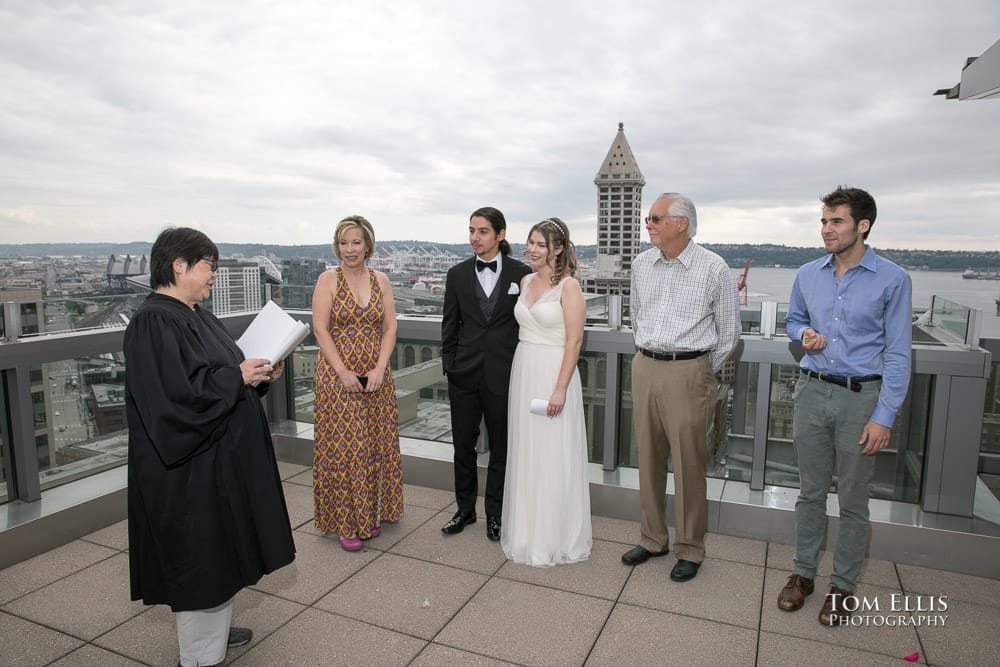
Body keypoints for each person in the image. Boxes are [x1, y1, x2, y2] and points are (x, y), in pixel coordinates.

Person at [124, 227, 295, 667]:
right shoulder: (155, 322)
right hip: (187, 471)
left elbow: (218, 374)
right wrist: (234, 378)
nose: (214, 276)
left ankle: (213, 633)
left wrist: (252, 375)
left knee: (218, 556)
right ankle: (199, 655)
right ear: (178, 265)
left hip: (213, 463)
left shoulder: (193, 313)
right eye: (208, 266)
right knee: (199, 561)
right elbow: (174, 400)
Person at [777, 186, 912, 626]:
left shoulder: (893, 279)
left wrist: (883, 416)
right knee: (810, 494)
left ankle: (843, 585)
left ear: (862, 225)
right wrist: (804, 336)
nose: (827, 230)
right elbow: (794, 321)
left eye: (836, 221)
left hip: (862, 399)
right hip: (812, 391)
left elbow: (898, 354)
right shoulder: (807, 274)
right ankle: (803, 574)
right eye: (823, 221)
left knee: (853, 500)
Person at [621, 193, 741, 582]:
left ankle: (690, 547)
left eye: (655, 218)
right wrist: (647, 355)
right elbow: (637, 314)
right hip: (645, 365)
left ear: (681, 223)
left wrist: (701, 371)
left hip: (689, 371)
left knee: (690, 463)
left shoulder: (713, 267)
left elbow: (729, 333)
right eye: (648, 218)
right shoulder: (641, 263)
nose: (648, 224)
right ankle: (653, 537)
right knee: (649, 459)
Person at [501, 218, 592, 566]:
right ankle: (526, 532)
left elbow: (575, 341)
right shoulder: (524, 281)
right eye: (530, 243)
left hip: (555, 372)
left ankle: (554, 536)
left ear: (557, 248)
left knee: (553, 452)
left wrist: (559, 389)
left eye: (540, 244)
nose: (533, 250)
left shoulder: (569, 288)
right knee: (527, 450)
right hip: (524, 369)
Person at [312, 215, 404, 551]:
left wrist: (380, 368)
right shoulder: (327, 279)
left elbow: (390, 327)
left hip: (376, 375)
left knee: (374, 447)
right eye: (344, 242)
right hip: (338, 377)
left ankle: (369, 515)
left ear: (368, 245)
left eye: (356, 242)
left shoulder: (382, 279)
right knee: (347, 449)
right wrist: (343, 372)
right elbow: (320, 329)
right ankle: (347, 523)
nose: (349, 249)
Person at [441, 206, 531, 541]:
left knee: (501, 448)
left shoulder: (522, 274)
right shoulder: (457, 274)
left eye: (481, 231)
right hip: (463, 375)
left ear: (500, 234)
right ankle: (464, 510)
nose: (474, 238)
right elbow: (449, 325)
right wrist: (450, 366)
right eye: (471, 231)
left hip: (505, 375)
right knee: (462, 445)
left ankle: (495, 513)